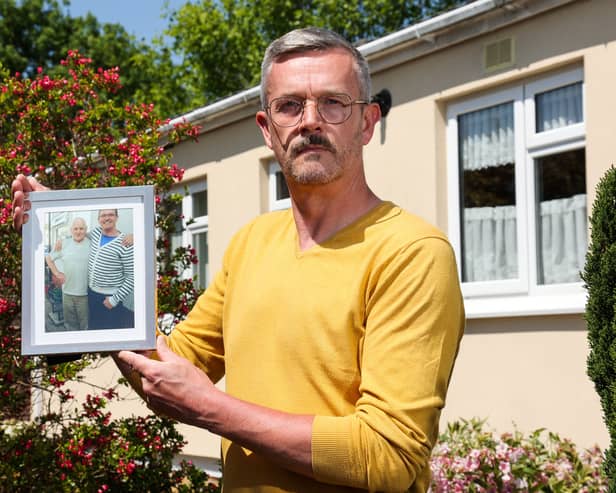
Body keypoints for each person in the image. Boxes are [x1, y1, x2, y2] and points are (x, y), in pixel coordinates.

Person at [13, 27, 465, 493]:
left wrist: (210, 408)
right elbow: (176, 369)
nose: (310, 121)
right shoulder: (252, 241)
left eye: (334, 103)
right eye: (290, 106)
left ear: (367, 123)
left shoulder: (412, 253)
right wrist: (67, 222)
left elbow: (388, 455)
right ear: (267, 130)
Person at [87, 209, 135, 329]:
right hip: (92, 294)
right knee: (94, 330)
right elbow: (78, 235)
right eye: (103, 215)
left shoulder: (125, 242)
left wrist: (114, 299)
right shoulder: (95, 233)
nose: (107, 218)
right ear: (99, 220)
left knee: (110, 334)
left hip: (110, 298)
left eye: (110, 215)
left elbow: (133, 276)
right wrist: (63, 241)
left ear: (117, 218)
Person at [45, 217, 91, 330]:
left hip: (84, 295)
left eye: (81, 228)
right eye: (75, 229)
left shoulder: (92, 244)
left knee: (85, 326)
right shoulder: (64, 243)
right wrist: (56, 273)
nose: (78, 231)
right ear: (71, 230)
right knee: (70, 325)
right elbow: (49, 258)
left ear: (86, 230)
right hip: (67, 294)